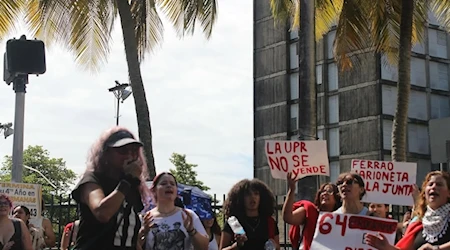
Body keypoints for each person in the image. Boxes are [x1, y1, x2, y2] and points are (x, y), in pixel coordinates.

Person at [71, 127, 150, 250]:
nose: (129, 156)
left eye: (134, 151)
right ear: (106, 154)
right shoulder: (92, 179)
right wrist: (127, 181)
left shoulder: (131, 185)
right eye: (123, 151)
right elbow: (102, 213)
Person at [365, 171, 450, 250]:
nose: (434, 187)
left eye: (439, 184)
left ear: (449, 193)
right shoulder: (417, 222)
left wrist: (438, 248)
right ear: (424, 193)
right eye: (430, 184)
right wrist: (387, 247)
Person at [140, 172, 209, 250]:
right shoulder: (146, 218)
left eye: (172, 184)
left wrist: (192, 231)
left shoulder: (188, 216)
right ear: (154, 190)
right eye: (163, 183)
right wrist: (143, 232)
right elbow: (134, 246)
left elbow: (205, 247)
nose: (169, 186)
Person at [283, 172, 341, 250]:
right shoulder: (310, 211)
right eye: (322, 191)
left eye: (329, 191)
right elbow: (288, 217)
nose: (325, 193)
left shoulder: (341, 218)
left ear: (336, 198)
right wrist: (292, 190)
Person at [219, 178, 280, 250]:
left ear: (262, 197)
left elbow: (278, 247)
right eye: (248, 194)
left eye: (256, 193)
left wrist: (274, 245)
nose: (252, 197)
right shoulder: (234, 222)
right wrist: (237, 245)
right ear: (241, 198)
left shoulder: (270, 222)